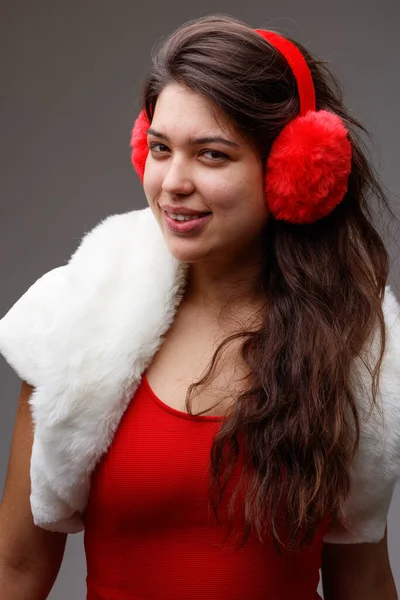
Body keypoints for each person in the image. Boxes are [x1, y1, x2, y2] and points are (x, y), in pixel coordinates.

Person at [0, 13, 399, 600]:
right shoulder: (77, 316)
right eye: (160, 149)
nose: (171, 182)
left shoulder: (358, 344)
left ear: (294, 169)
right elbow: (16, 569)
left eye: (211, 155)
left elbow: (361, 579)